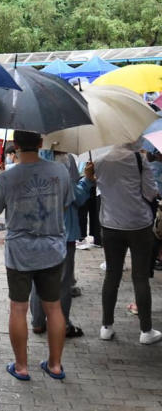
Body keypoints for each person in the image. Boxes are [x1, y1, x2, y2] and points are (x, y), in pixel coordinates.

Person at [0, 131, 72, 381]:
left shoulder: (6, 177)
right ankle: (55, 365)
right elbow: (66, 203)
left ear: (15, 144)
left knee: (18, 307)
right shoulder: (60, 172)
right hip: (52, 249)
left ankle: (21, 366)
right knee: (53, 307)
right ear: (40, 143)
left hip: (19, 253)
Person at [91, 144, 162, 344]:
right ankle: (146, 331)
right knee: (140, 277)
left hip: (110, 224)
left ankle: (106, 326)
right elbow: (151, 192)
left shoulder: (100, 160)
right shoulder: (139, 160)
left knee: (112, 274)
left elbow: (99, 189)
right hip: (139, 224)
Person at [29, 150, 91, 339]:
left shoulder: (34, 158)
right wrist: (87, 180)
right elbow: (76, 197)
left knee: (38, 279)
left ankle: (38, 322)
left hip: (38, 230)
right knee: (63, 282)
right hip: (63, 232)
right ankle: (62, 324)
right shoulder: (65, 161)